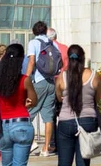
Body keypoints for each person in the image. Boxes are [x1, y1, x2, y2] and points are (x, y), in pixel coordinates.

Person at [55, 44, 101, 166]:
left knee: (64, 162)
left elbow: (59, 97)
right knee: (83, 160)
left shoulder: (62, 77)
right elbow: (97, 99)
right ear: (83, 58)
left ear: (68, 58)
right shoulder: (93, 76)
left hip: (66, 121)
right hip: (88, 120)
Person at [0, 43, 38, 166]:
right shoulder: (24, 80)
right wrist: (27, 102)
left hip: (3, 127)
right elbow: (34, 100)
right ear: (21, 59)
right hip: (21, 124)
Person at [26, 21, 63, 157]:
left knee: (27, 114)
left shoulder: (33, 43)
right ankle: (46, 148)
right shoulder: (52, 43)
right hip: (51, 82)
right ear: (45, 30)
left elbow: (31, 61)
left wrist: (26, 77)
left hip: (39, 81)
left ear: (34, 31)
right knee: (48, 117)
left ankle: (31, 142)